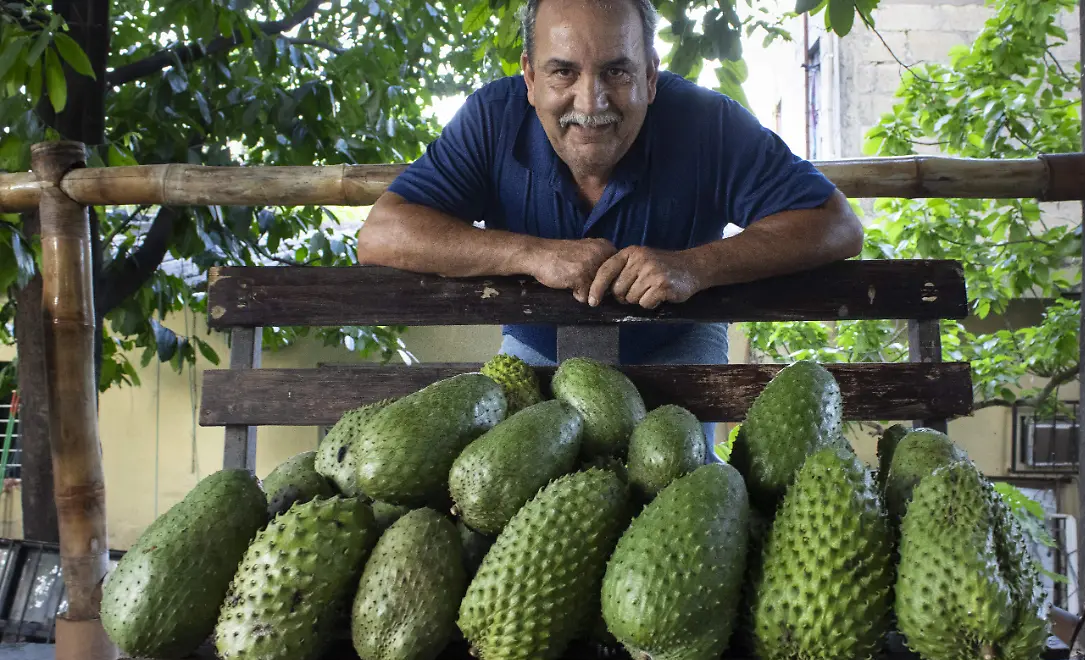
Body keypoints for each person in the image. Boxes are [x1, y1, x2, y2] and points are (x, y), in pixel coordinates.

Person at [357, 0, 864, 457]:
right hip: (535, 351)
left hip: (677, 347)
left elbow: (836, 224)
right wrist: (535, 254)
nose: (591, 101)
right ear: (530, 78)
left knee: (678, 493)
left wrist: (696, 266)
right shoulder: (491, 119)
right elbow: (382, 234)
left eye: (616, 71)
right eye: (562, 72)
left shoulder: (707, 122)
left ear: (649, 76)